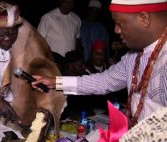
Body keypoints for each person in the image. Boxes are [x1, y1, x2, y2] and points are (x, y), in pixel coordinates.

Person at [32, 0, 167, 128]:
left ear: (144, 18)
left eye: (120, 23)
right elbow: (104, 81)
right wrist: (56, 82)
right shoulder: (133, 56)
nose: (116, 30)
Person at [0, 0, 66, 139]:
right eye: (1, 34)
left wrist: (46, 104)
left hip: (11, 98)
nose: (8, 38)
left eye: (12, 32)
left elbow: (43, 71)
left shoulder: (25, 32)